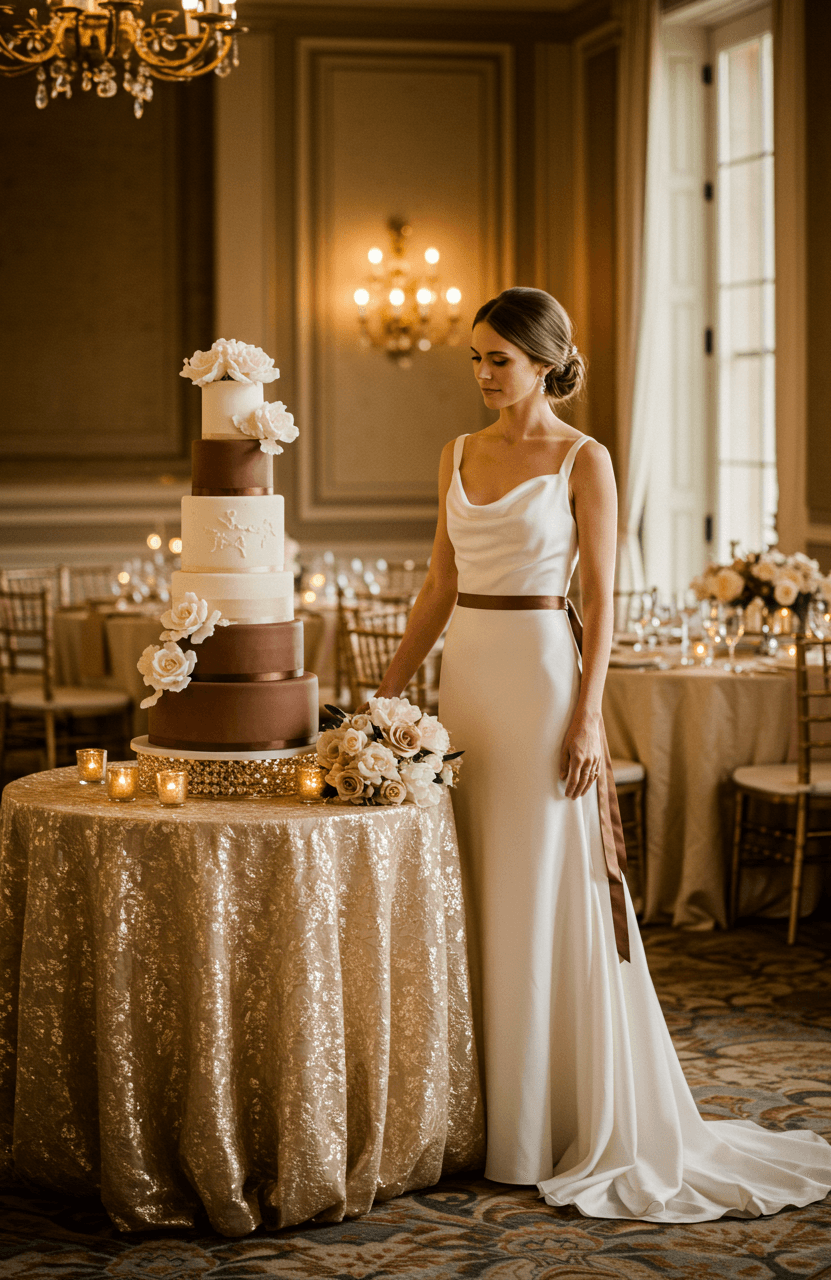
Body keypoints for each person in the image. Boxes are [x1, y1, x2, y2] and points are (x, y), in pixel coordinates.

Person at [372, 286, 831, 1221]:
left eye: (499, 359)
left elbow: (603, 601)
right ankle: (481, 1112)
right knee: (476, 880)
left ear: (544, 363)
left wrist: (588, 719)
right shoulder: (457, 453)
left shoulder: (586, 458)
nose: (483, 374)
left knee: (541, 879)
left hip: (544, 679)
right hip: (469, 683)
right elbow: (438, 586)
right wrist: (385, 693)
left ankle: (547, 1118)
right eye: (476, 357)